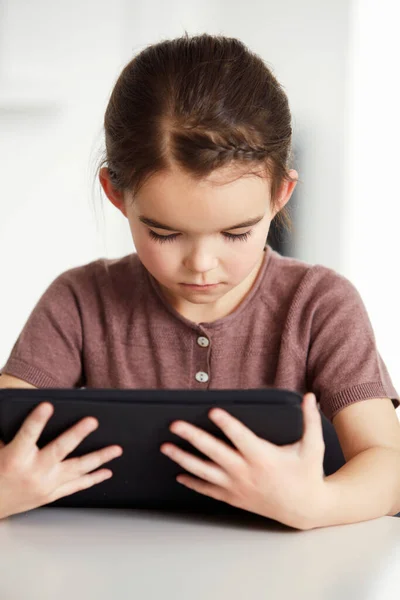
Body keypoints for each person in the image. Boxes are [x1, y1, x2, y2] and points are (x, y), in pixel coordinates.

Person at [0, 33, 399, 529]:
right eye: (165, 234)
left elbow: (389, 466)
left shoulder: (320, 305)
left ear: (281, 194)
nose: (202, 264)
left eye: (236, 233)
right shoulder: (79, 302)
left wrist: (317, 505)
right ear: (117, 194)